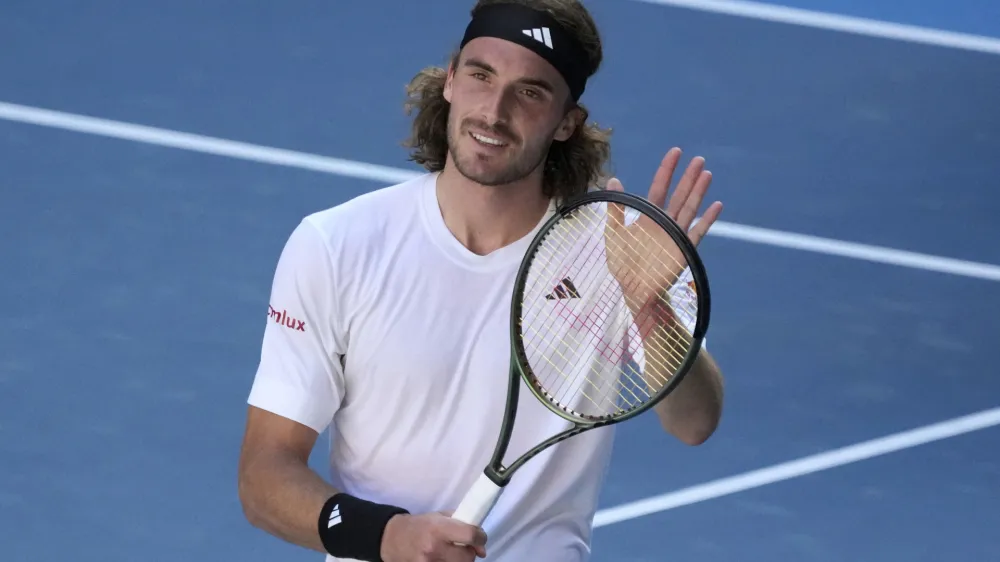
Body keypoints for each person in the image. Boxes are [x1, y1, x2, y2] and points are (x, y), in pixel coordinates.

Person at [237, 1, 725, 561]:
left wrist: (649, 307)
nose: (494, 112)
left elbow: (695, 423)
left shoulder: (618, 253)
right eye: (481, 75)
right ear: (450, 80)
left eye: (530, 92)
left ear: (567, 122)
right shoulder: (336, 245)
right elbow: (264, 476)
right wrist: (387, 535)